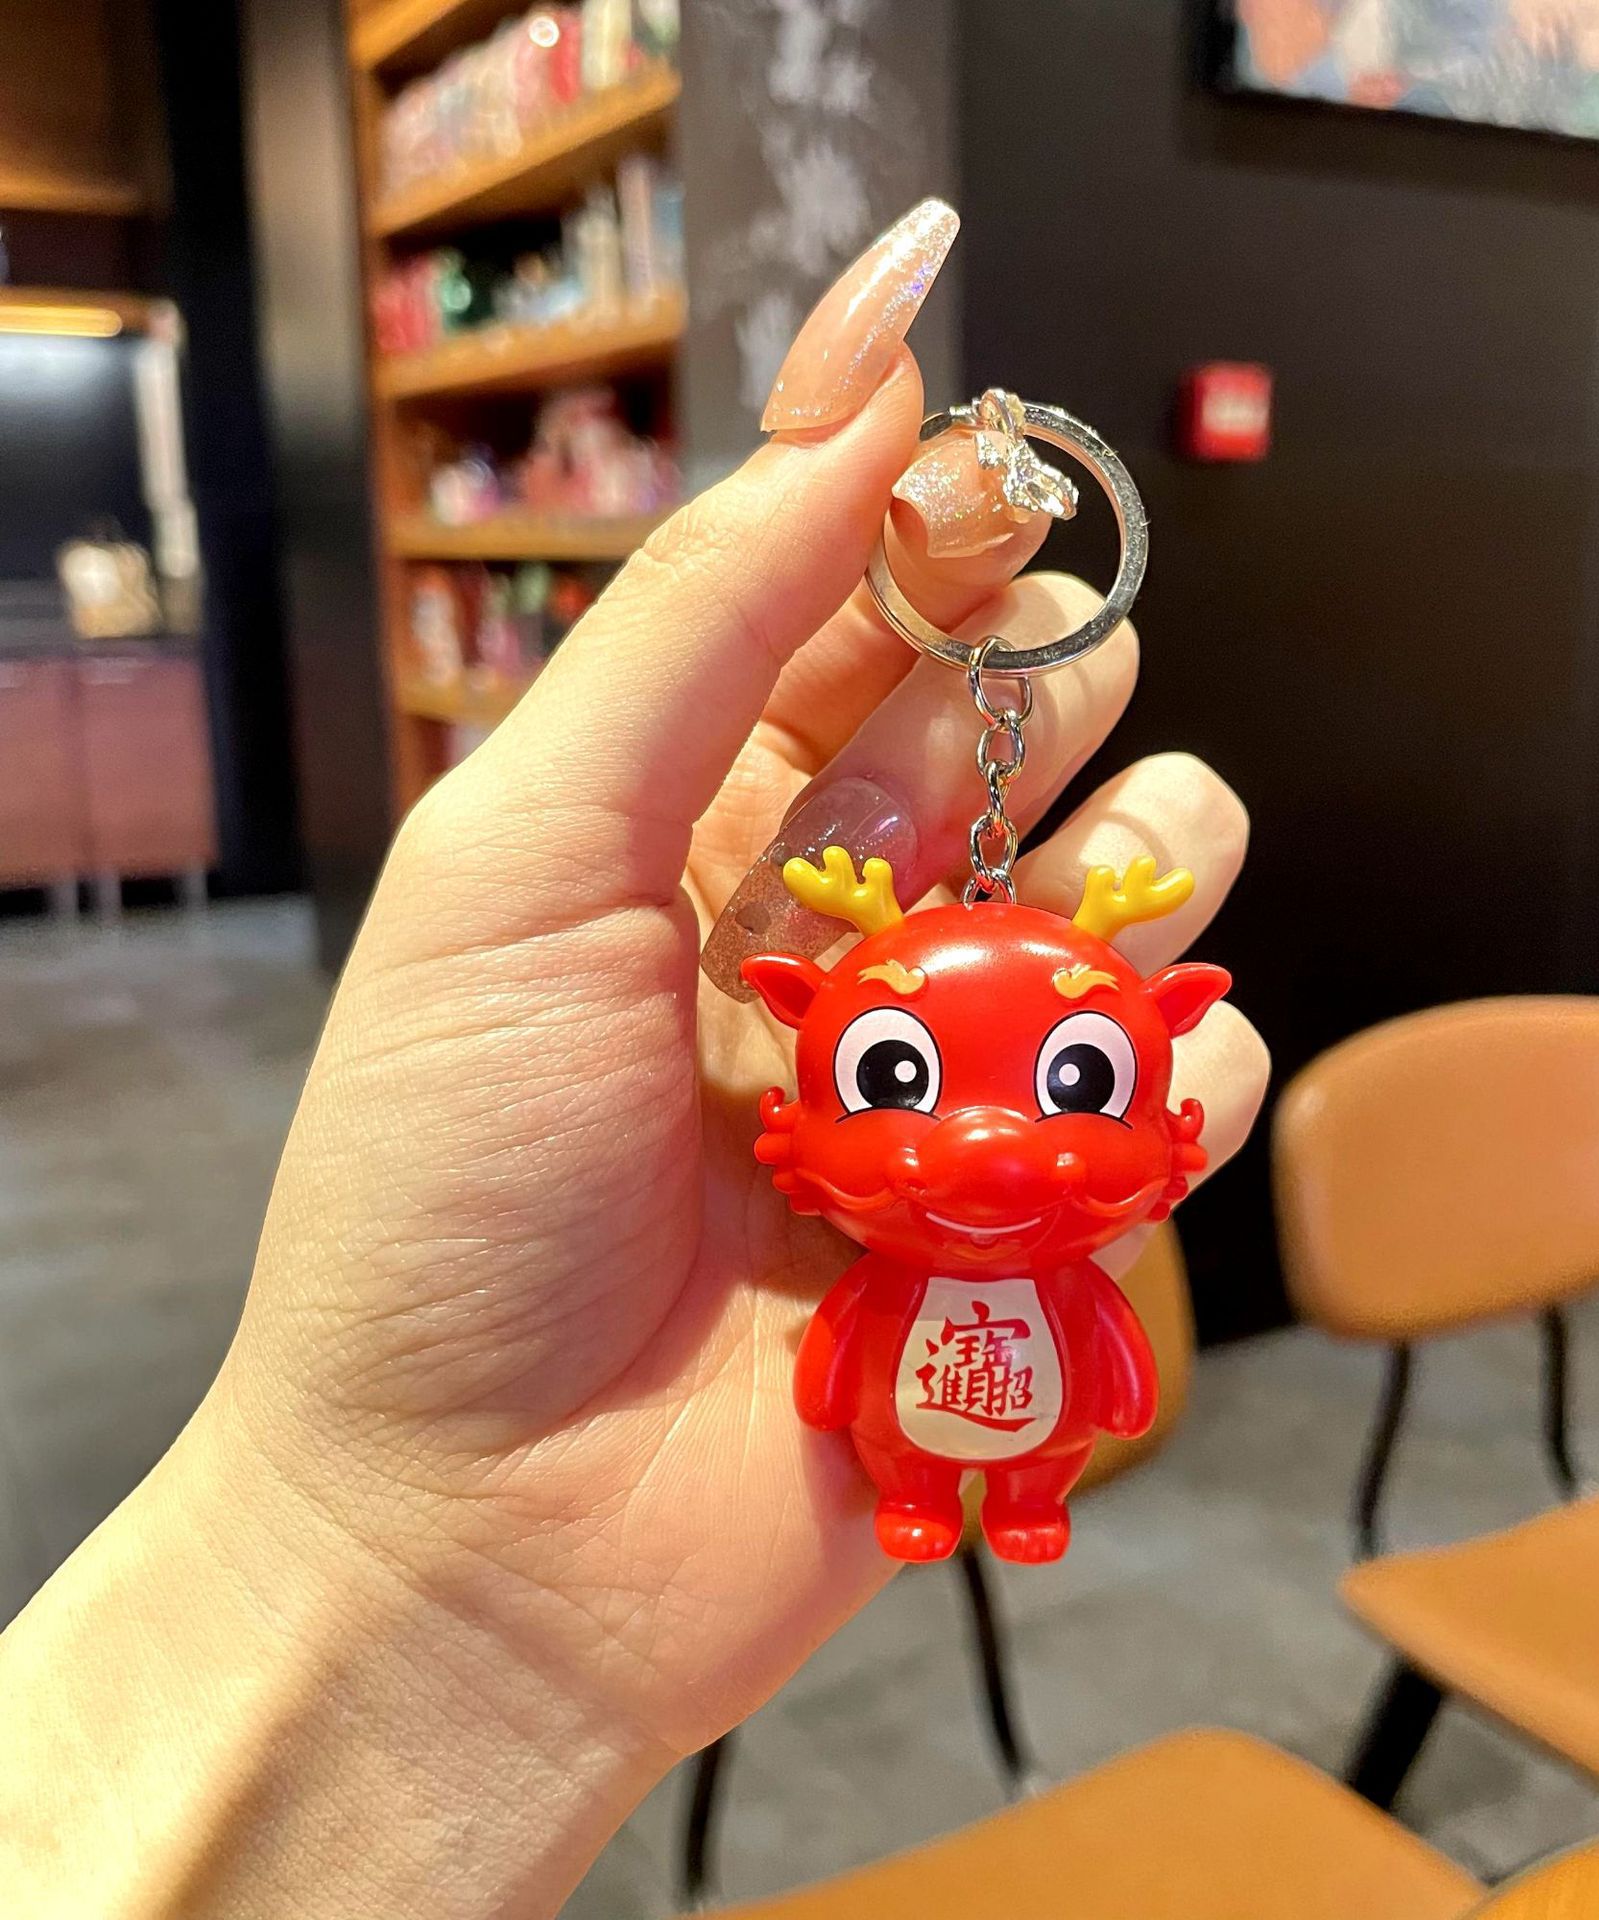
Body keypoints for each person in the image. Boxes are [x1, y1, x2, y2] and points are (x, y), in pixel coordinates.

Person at [0, 201, 1266, 1917]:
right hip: (880, 1391)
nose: (987, 1148)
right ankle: (941, 1499)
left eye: (1077, 1084)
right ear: (812, 1042)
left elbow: (1097, 1348)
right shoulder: (818, 1161)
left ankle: (1013, 1500)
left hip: (985, 1383)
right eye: (902, 1080)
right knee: (909, 1436)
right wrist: (375, 1542)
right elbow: (843, 1360)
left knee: (1017, 1444)